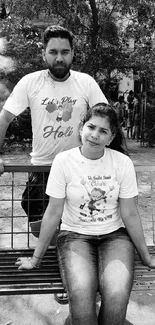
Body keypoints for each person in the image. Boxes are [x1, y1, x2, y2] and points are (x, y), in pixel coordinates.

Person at [16, 103, 155, 325]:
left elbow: (129, 213)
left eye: (103, 131)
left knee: (117, 293)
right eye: (91, 127)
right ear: (82, 127)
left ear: (110, 138)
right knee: (81, 293)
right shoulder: (64, 161)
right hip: (74, 236)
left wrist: (146, 256)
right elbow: (53, 212)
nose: (95, 135)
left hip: (115, 236)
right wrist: (36, 259)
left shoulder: (122, 163)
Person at [0, 25, 108, 304]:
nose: (59, 58)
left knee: (78, 229)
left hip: (79, 169)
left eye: (64, 52)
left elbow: (107, 120)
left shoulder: (85, 83)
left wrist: (111, 159)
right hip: (42, 167)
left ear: (73, 54)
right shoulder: (31, 82)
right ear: (44, 53)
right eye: (53, 52)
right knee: (37, 216)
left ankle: (75, 282)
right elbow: (4, 118)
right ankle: (66, 261)